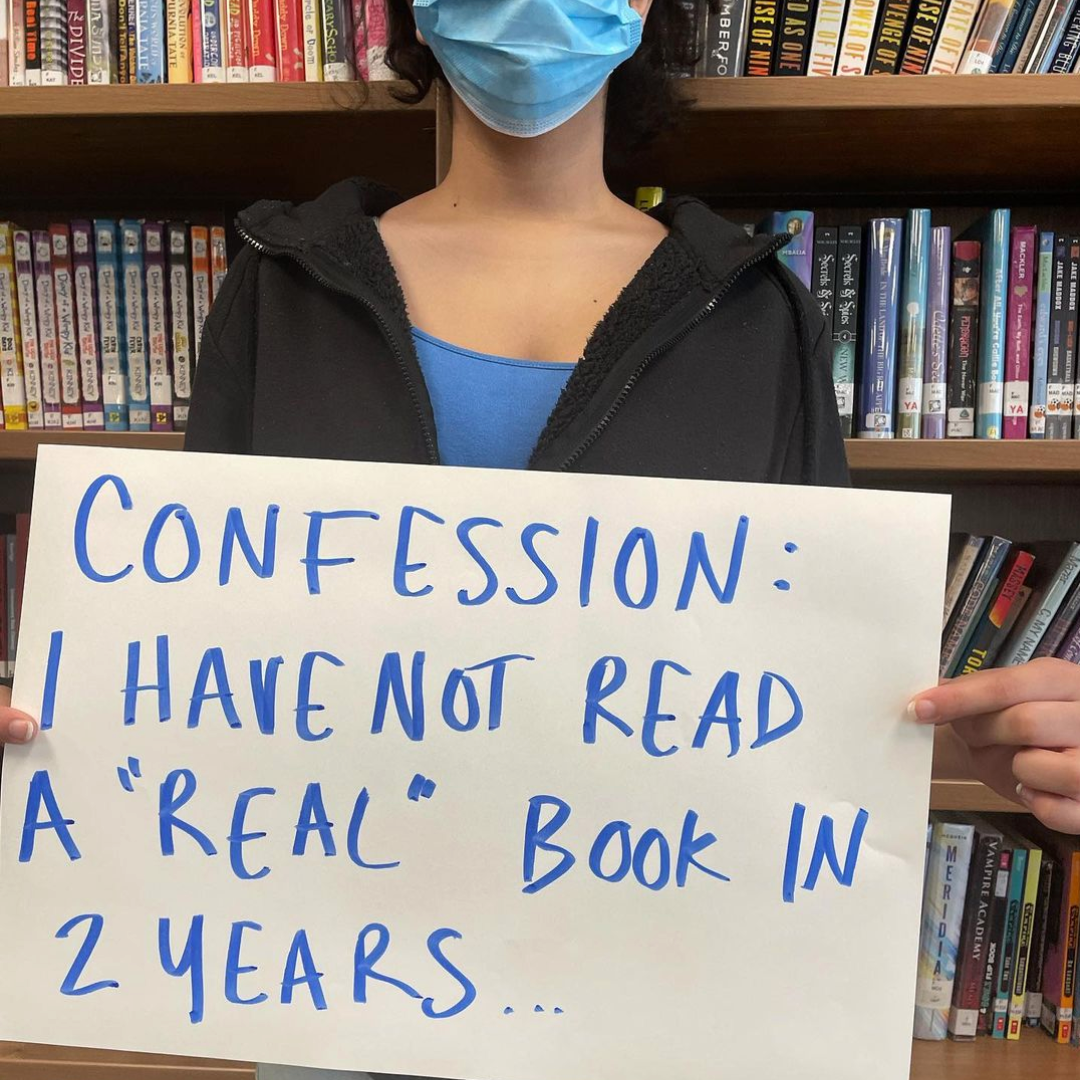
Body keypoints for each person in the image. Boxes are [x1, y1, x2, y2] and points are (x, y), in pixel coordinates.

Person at [1, 1, 1079, 1076]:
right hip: (329, 1003)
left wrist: (977, 743)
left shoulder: (757, 318)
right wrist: (52, 730)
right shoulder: (281, 293)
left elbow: (808, 707)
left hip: (656, 1019)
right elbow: (189, 669)